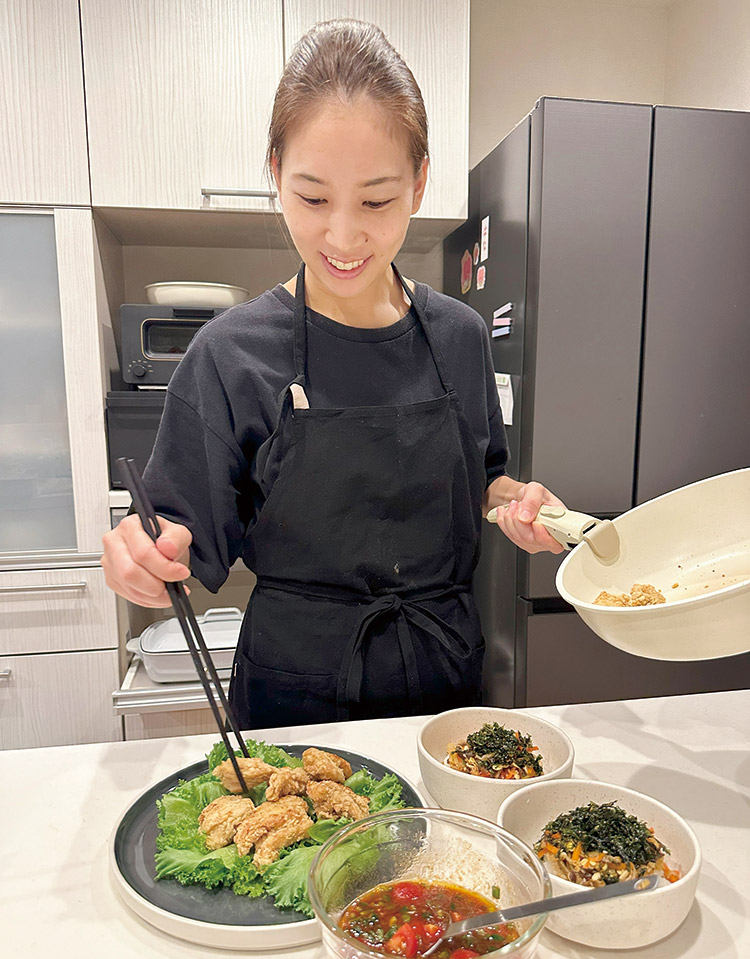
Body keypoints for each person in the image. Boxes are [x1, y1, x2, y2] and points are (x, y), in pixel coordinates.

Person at [101, 19, 564, 730]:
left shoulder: (459, 337)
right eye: (312, 198)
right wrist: (141, 555)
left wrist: (516, 502)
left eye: (377, 200)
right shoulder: (230, 354)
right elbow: (176, 540)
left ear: (418, 184)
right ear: (275, 173)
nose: (344, 237)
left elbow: (483, 480)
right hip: (295, 696)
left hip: (443, 683)